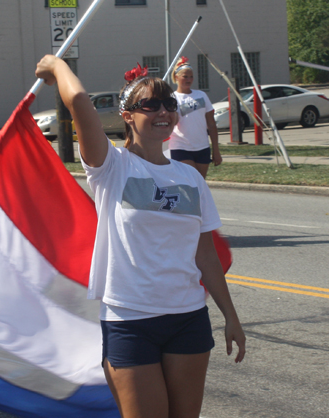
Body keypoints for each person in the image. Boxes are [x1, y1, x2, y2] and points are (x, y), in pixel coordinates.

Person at [35, 56, 245, 418]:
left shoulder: (191, 178)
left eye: (169, 104)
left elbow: (206, 257)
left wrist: (231, 316)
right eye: (150, 104)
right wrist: (56, 66)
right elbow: (80, 102)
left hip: (188, 317)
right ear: (128, 115)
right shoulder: (111, 167)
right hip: (130, 320)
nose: (163, 111)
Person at [169, 56, 222, 179]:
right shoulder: (171, 98)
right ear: (176, 77)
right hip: (180, 147)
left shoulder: (201, 95)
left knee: (200, 184)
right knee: (192, 181)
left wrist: (216, 150)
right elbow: (170, 123)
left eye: (191, 76)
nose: (189, 79)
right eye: (185, 76)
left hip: (202, 147)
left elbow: (211, 124)